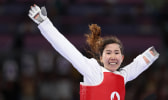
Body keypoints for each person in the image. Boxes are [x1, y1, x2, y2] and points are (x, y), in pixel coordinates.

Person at [28, 4, 159, 100]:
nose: (113, 56)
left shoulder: (122, 76)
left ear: (122, 58)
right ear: (101, 58)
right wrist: (44, 23)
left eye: (116, 52)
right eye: (108, 53)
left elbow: (137, 66)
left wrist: (152, 54)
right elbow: (66, 49)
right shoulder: (93, 71)